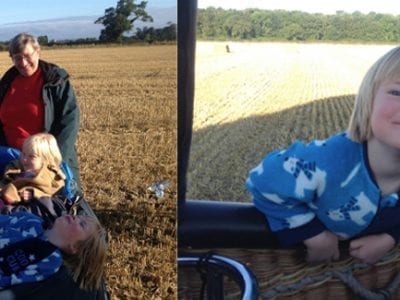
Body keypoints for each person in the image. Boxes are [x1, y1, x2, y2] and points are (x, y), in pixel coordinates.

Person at [246, 46, 400, 265]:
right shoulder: (326, 162)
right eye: (397, 92)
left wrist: (389, 238)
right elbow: (263, 182)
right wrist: (315, 236)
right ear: (369, 101)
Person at [0, 32, 81, 193]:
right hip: (10, 159)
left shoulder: (55, 81)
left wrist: (55, 159)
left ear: (38, 51)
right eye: (17, 57)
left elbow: (69, 121)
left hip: (44, 160)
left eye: (27, 55)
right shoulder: (7, 82)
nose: (23, 62)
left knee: (58, 206)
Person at [0, 211, 107, 291]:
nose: (75, 217)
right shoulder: (32, 220)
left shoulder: (51, 260)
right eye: (78, 215)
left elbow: (14, 283)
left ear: (75, 247)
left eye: (82, 224)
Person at [0, 133, 66, 204]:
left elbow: (54, 196)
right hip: (7, 200)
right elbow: (5, 182)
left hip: (28, 209)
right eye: (23, 154)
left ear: (46, 159)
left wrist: (34, 194)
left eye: (32, 157)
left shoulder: (52, 178)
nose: (25, 159)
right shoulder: (15, 168)